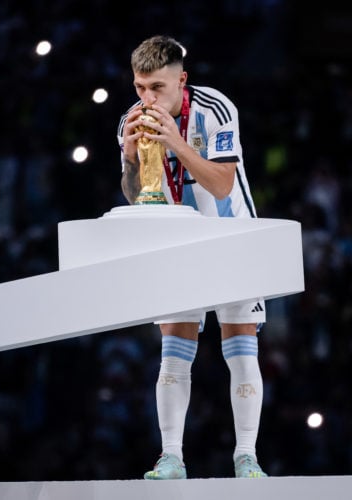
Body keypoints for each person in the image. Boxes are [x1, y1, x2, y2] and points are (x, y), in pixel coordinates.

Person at [117, 35, 268, 479]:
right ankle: (171, 457)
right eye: (140, 87)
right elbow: (136, 197)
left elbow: (222, 183)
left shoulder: (215, 108)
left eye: (158, 88)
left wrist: (176, 142)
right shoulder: (130, 120)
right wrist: (129, 159)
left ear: (182, 80)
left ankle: (246, 457)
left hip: (232, 237)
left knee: (240, 347)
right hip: (178, 243)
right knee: (174, 349)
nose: (147, 99)